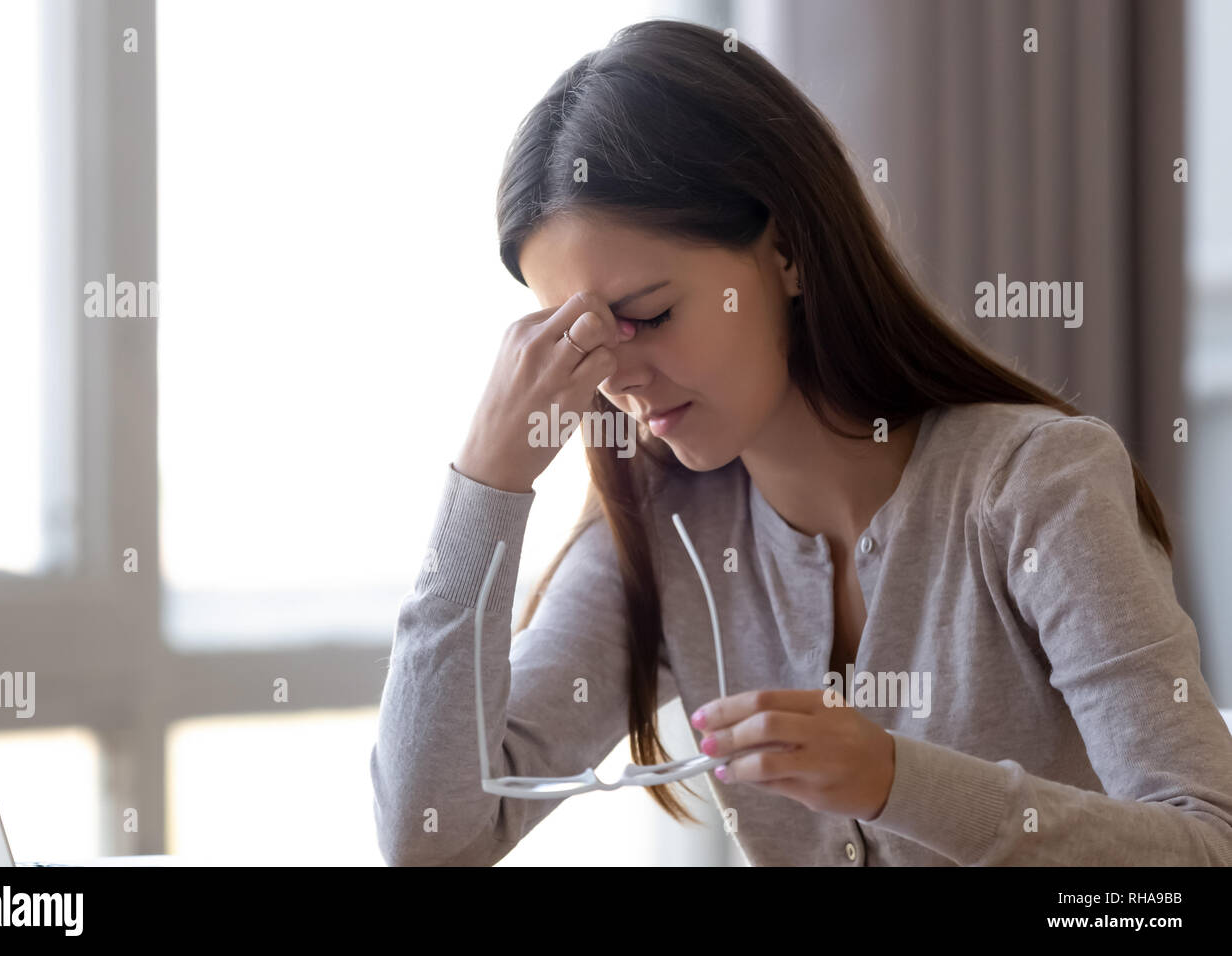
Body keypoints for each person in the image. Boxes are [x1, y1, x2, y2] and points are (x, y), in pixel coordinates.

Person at [370, 18, 1232, 866]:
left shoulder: (1033, 486)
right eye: (585, 341)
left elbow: (1207, 846)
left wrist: (897, 780)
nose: (618, 378)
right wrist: (486, 481)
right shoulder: (665, 535)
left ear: (785, 250)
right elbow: (431, 838)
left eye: (648, 315)